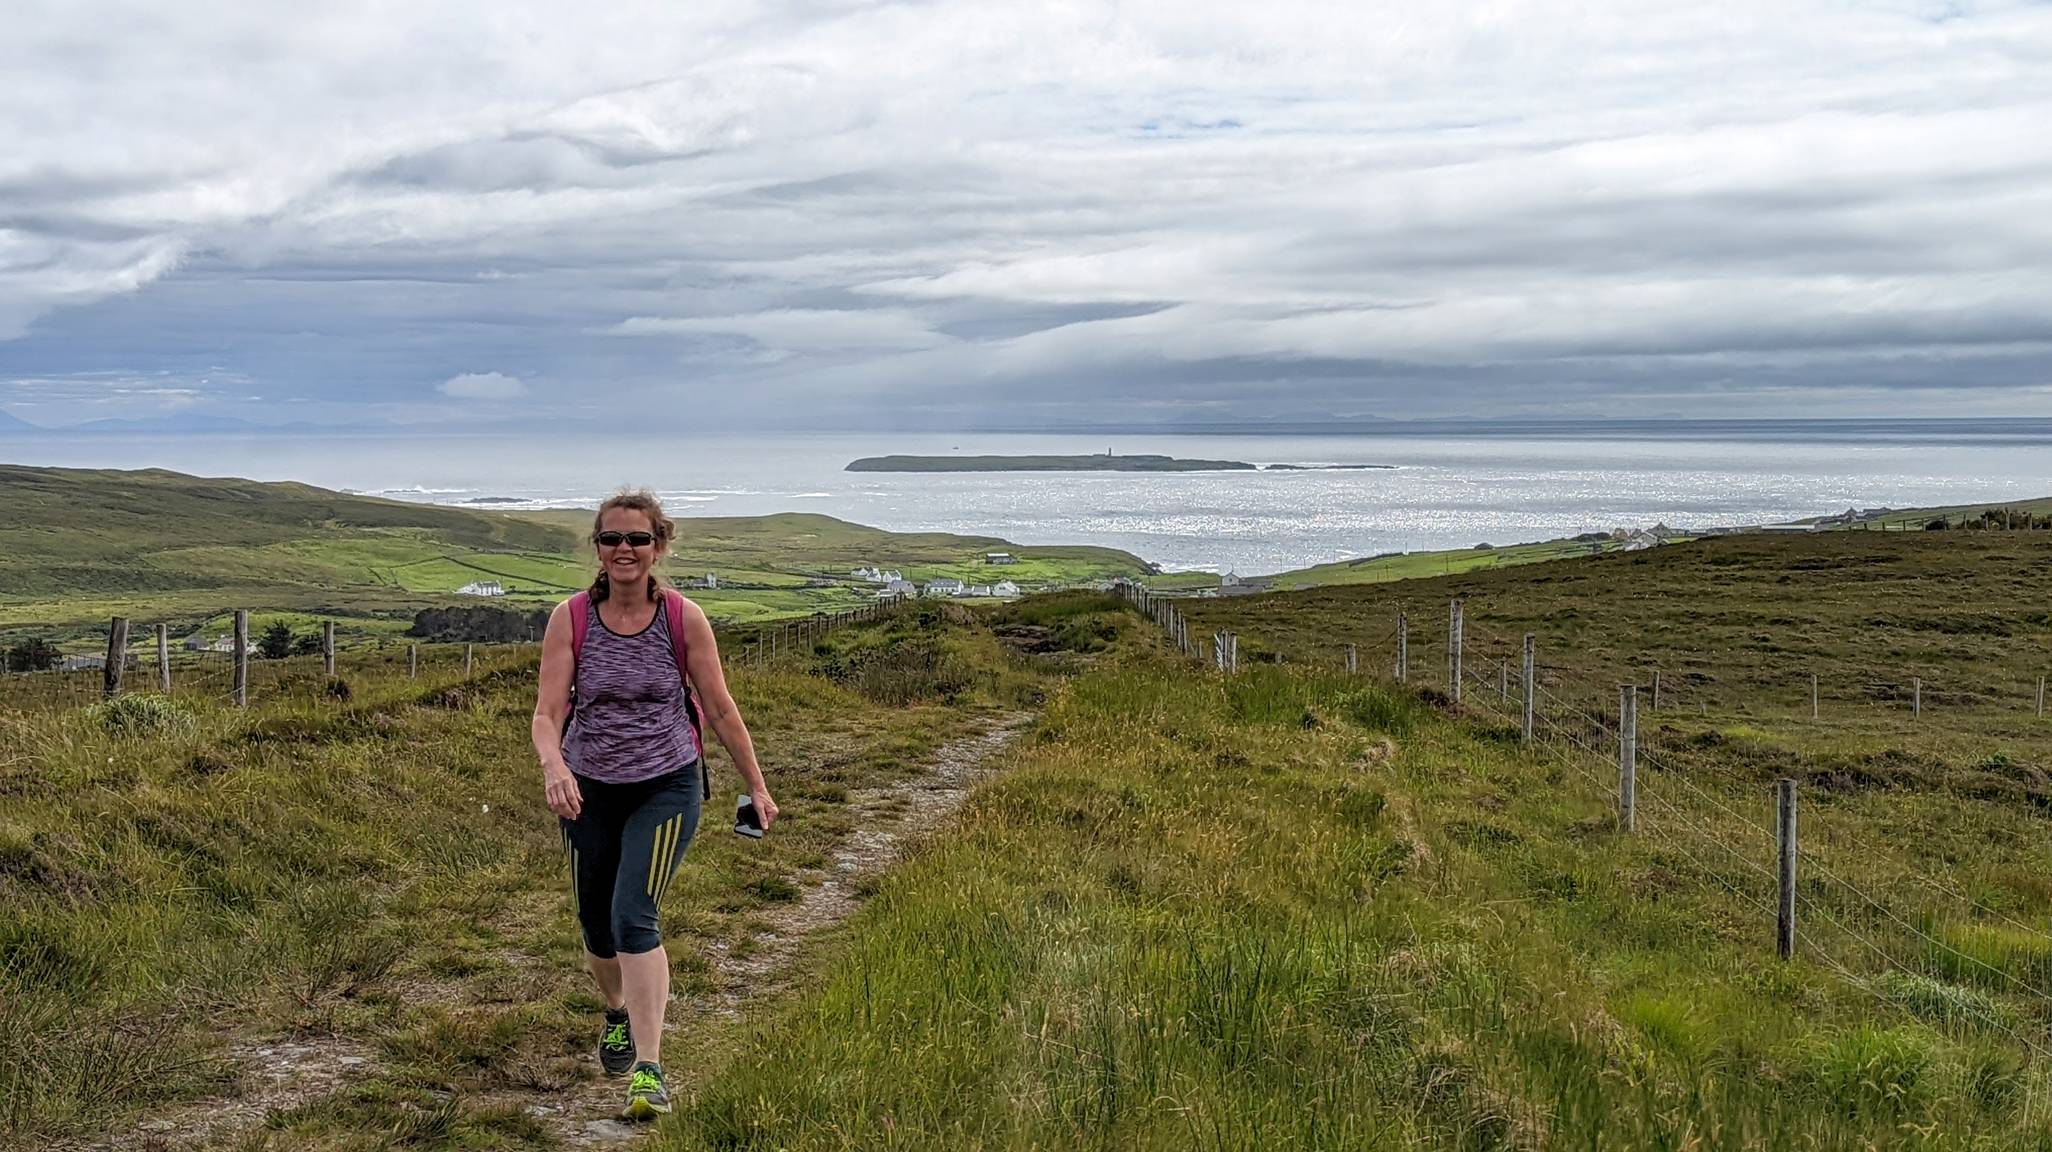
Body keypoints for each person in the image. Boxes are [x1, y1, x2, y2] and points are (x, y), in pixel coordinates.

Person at [530, 487, 777, 1119]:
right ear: (598, 547)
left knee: (633, 914)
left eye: (638, 538)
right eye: (611, 538)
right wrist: (555, 765)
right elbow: (548, 711)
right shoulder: (572, 619)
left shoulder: (683, 618)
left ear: (659, 546)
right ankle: (615, 1012)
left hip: (667, 782)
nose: (624, 550)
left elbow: (718, 707)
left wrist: (756, 784)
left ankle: (648, 1067)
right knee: (595, 926)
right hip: (588, 786)